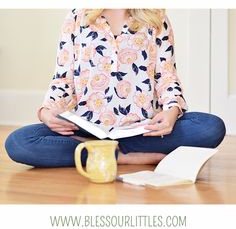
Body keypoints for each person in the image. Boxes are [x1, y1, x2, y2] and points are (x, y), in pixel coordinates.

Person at [5, 9, 226, 167]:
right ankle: (118, 157)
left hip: (142, 130)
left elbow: (167, 77)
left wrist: (171, 111)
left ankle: (101, 153)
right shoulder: (76, 18)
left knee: (210, 127)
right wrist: (47, 112)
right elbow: (63, 80)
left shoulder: (157, 19)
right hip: (86, 130)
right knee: (19, 142)